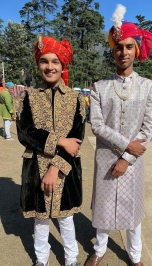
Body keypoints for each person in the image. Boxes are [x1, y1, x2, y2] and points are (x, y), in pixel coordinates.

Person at [86, 4, 152, 266]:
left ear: (136, 50)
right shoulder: (100, 87)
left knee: (132, 209)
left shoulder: (148, 87)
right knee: (104, 206)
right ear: (112, 50)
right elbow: (97, 125)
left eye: (128, 46)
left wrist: (127, 158)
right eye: (118, 47)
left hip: (133, 162)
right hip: (106, 157)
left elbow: (147, 128)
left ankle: (135, 255)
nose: (123, 51)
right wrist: (128, 144)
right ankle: (100, 249)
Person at [16, 36, 85, 266]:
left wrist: (55, 167)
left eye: (55, 61)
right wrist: (60, 141)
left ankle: (71, 259)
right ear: (38, 65)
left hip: (65, 170)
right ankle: (41, 260)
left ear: (62, 65)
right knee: (41, 221)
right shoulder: (29, 97)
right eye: (44, 61)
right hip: (35, 168)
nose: (50, 67)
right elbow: (24, 132)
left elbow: (76, 140)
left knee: (66, 219)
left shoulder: (75, 99)